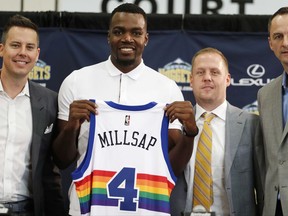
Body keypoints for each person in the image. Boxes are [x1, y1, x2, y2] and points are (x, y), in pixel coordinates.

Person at [52, 3, 197, 216]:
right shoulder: (76, 82)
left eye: (136, 33)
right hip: (87, 208)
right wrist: (72, 125)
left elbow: (171, 167)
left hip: (146, 208)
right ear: (108, 36)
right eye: (119, 32)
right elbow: (62, 160)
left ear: (145, 39)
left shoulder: (167, 89)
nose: (127, 39)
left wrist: (190, 134)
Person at [170, 47, 264, 216]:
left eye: (214, 72)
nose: (207, 78)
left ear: (227, 79)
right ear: (191, 80)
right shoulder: (175, 124)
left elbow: (263, 189)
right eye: (200, 73)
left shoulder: (251, 124)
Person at [0, 14, 65, 215]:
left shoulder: (49, 102)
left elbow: (49, 171)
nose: (22, 53)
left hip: (25, 209)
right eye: (15, 45)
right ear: (2, 49)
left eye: (29, 48)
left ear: (37, 54)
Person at [257, 7, 288, 216]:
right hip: (273, 207)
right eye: (278, 36)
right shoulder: (265, 94)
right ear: (270, 43)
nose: (285, 42)